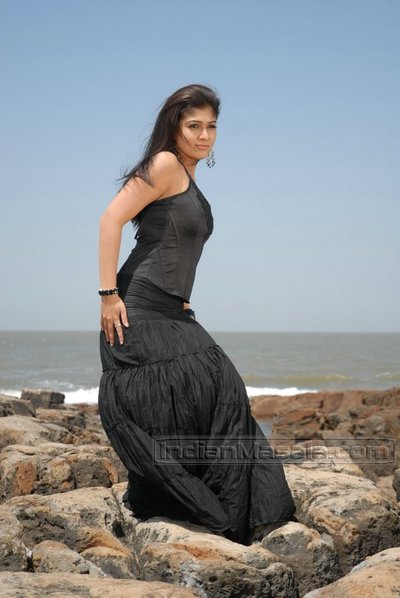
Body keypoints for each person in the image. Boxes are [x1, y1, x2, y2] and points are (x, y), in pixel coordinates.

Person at [98, 83, 296, 545]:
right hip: (138, 308)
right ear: (174, 127)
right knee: (210, 386)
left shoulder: (186, 174)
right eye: (194, 126)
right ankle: (198, 504)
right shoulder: (165, 164)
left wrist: (184, 303)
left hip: (171, 309)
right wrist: (108, 295)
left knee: (217, 390)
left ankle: (222, 505)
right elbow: (110, 220)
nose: (204, 135)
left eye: (211, 127)